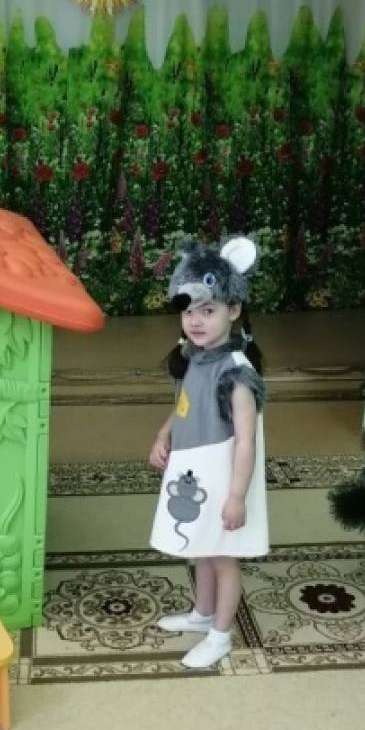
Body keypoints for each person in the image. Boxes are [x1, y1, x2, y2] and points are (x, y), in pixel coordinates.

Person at [148, 237, 268, 669]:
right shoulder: (192, 357)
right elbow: (184, 405)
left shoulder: (236, 374)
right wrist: (164, 434)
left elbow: (247, 441)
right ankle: (202, 613)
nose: (195, 321)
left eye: (208, 310)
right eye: (188, 311)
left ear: (233, 310)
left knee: (222, 556)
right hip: (193, 468)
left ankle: (220, 635)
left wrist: (236, 497)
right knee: (200, 548)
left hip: (222, 476)